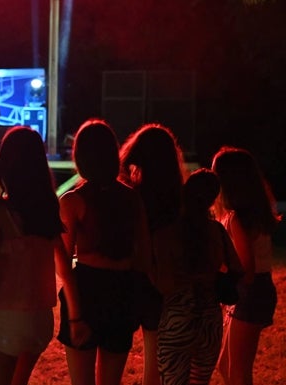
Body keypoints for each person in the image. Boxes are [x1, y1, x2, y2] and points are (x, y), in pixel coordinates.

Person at [0, 126, 83, 385]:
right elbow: (65, 269)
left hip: (7, 316)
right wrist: (77, 317)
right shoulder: (46, 212)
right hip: (40, 320)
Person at [57, 119, 151, 385]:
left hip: (85, 289)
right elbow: (143, 256)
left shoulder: (73, 200)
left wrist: (75, 316)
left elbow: (63, 264)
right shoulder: (132, 198)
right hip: (122, 289)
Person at [152, 168, 241, 385]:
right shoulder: (217, 231)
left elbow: (160, 281)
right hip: (209, 317)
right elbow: (238, 268)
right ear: (212, 200)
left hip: (176, 317)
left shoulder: (165, 234)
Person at [119, 123, 187, 385]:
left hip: (135, 279)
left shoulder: (132, 197)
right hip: (170, 283)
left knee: (131, 356)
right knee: (160, 358)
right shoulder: (178, 200)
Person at [212, 146, 280, 385]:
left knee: (238, 373)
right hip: (255, 291)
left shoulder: (237, 218)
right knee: (226, 366)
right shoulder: (249, 213)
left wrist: (219, 272)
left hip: (251, 293)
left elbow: (247, 271)